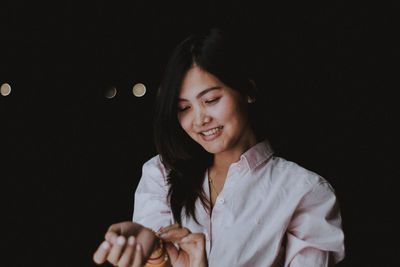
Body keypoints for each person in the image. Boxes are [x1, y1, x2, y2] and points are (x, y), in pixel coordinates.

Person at [93, 28, 345, 267]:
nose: (200, 119)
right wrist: (154, 254)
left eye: (211, 100)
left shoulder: (304, 192)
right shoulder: (160, 174)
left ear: (248, 89)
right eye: (184, 108)